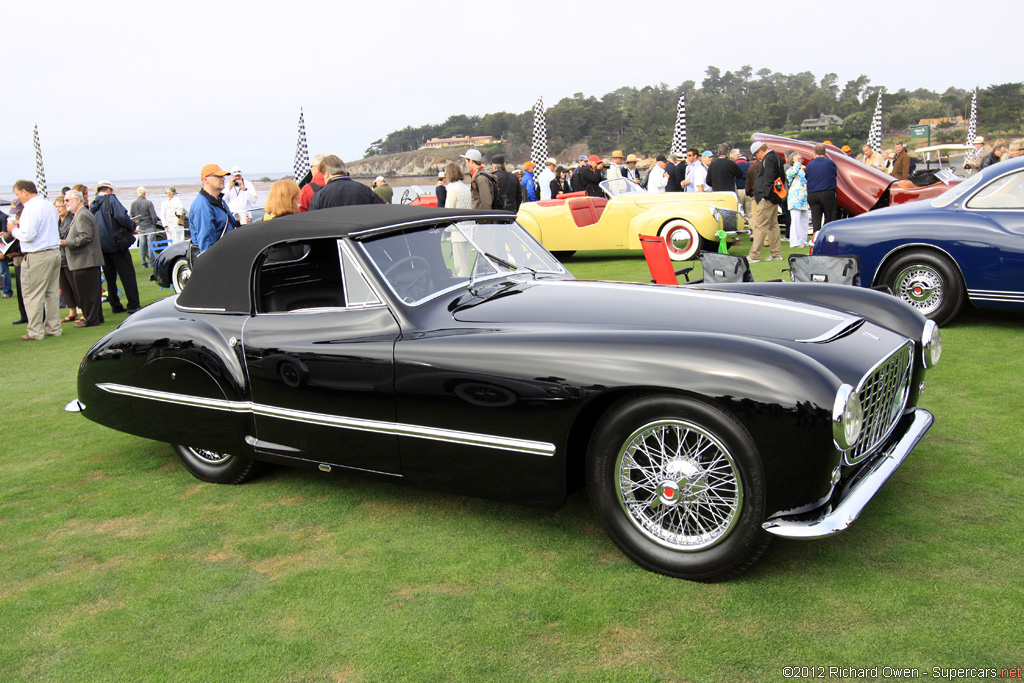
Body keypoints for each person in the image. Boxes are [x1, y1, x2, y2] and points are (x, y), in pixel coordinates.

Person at [4, 180, 62, 340]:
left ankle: (35, 331)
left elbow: (29, 235)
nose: (17, 198)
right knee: (51, 293)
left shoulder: (30, 208)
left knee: (32, 294)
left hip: (38, 254)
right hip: (54, 251)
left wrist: (14, 230)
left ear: (24, 192)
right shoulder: (48, 205)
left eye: (17, 194)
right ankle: (54, 327)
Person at [91, 180, 142, 314]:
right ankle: (133, 303)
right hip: (116, 243)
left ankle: (115, 303)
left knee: (110, 276)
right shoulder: (111, 200)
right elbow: (121, 216)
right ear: (109, 189)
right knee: (127, 274)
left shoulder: (94, 203)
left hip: (101, 245)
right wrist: (132, 226)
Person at [60, 190, 104, 327]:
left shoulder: (82, 215)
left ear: (78, 200)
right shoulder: (80, 215)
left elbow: (85, 237)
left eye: (67, 200)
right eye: (64, 200)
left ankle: (91, 318)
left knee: (87, 293)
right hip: (85, 260)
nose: (65, 203)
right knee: (90, 292)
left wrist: (66, 243)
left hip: (85, 260)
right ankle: (95, 317)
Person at [747, 142, 784, 263]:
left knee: (760, 225)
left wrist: (765, 196)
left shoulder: (768, 159)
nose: (756, 158)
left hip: (768, 198)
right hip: (775, 196)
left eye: (756, 155)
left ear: (759, 151)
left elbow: (768, 178)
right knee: (773, 225)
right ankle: (776, 253)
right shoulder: (777, 157)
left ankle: (754, 255)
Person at [189, 164, 240, 253]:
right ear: (205, 179)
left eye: (223, 176)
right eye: (218, 176)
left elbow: (226, 226)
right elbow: (206, 244)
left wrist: (240, 222)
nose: (223, 179)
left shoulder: (219, 200)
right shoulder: (202, 205)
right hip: (218, 259)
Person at [309, 155, 385, 210]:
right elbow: (382, 210)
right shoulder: (364, 190)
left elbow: (313, 222)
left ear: (326, 174)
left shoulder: (319, 196)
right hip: (360, 231)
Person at [54, 196, 81, 323]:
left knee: (74, 285)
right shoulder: (57, 221)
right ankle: (72, 311)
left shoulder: (71, 220)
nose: (58, 209)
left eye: (60, 206)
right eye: (56, 206)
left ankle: (82, 310)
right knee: (64, 286)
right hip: (59, 258)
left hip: (69, 257)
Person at [443, 162, 473, 276]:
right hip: (468, 228)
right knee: (464, 261)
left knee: (460, 264)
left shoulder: (452, 190)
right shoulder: (465, 188)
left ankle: (463, 285)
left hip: (457, 229)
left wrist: (445, 230)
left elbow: (448, 211)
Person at [805, 144, 838, 233]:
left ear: (814, 153)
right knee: (830, 217)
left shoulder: (810, 165)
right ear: (825, 152)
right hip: (827, 192)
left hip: (813, 193)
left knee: (816, 219)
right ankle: (827, 235)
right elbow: (834, 174)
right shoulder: (830, 163)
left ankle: (816, 237)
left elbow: (807, 177)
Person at [130, 186, 164, 267]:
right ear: (144, 193)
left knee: (142, 245)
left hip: (141, 227)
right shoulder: (148, 203)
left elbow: (131, 216)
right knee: (150, 244)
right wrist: (154, 223)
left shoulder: (133, 203)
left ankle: (143, 262)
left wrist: (136, 224)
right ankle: (151, 262)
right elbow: (153, 215)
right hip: (149, 226)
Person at [785, 151, 810, 248]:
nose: (799, 161)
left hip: (803, 198)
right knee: (795, 221)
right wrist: (796, 162)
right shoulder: (789, 170)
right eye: (797, 159)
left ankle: (803, 240)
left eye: (800, 159)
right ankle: (794, 241)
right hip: (795, 198)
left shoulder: (802, 170)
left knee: (804, 220)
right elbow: (793, 172)